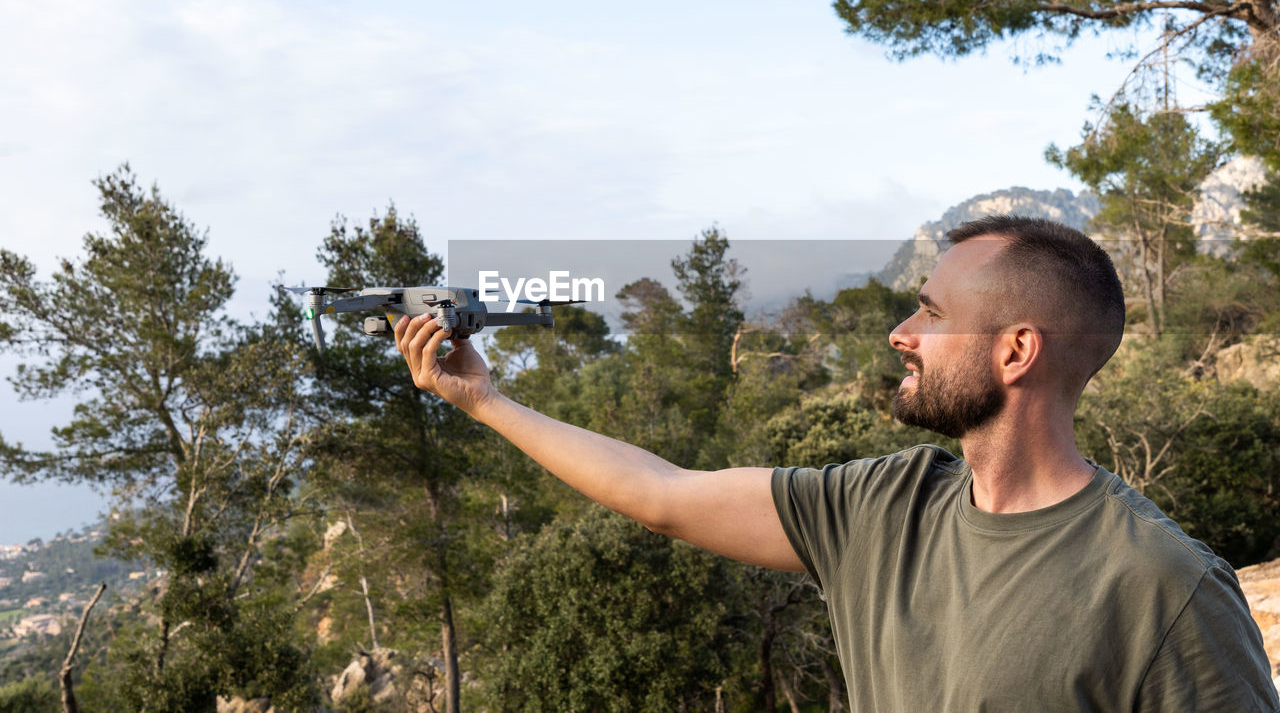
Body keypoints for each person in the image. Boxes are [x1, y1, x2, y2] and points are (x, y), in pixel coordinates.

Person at [394, 215, 1279, 711]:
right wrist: (485, 400)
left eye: (931, 313)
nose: (902, 333)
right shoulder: (883, 507)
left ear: (1016, 351)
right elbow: (663, 494)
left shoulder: (1161, 585)